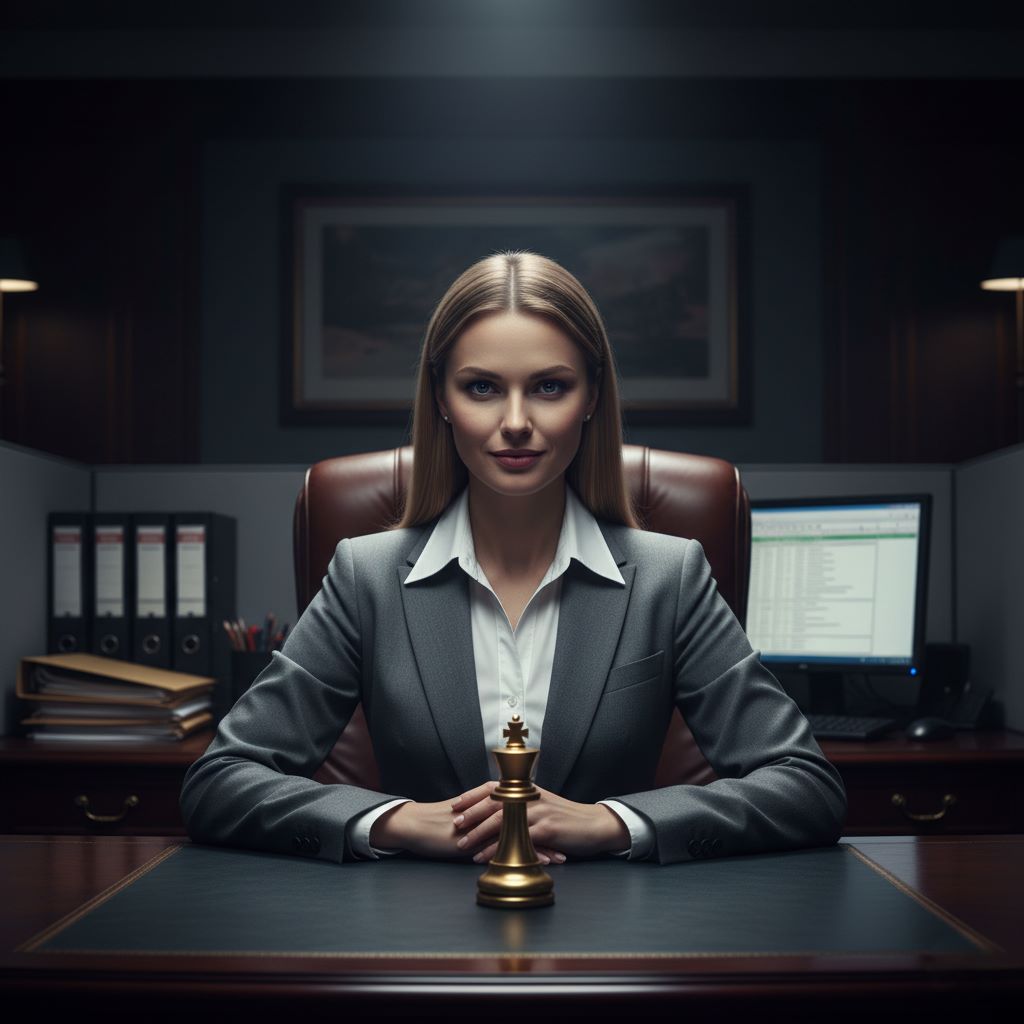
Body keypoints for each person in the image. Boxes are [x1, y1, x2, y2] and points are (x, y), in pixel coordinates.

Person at [180, 250, 846, 866]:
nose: (518, 421)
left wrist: (615, 822)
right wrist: (394, 820)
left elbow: (806, 786)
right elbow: (219, 782)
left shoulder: (670, 579)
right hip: (415, 927)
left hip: (617, 927)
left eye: (550, 387)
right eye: (482, 388)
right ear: (441, 399)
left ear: (592, 397)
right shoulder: (367, 577)